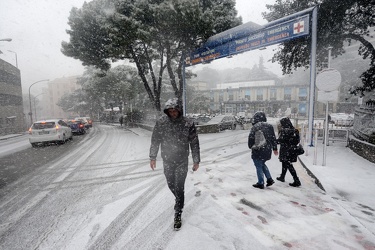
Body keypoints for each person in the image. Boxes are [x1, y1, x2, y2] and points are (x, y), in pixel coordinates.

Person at [149, 98, 200, 230]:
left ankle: (178, 213)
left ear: (179, 110)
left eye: (175, 110)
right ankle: (180, 199)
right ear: (167, 111)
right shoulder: (161, 123)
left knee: (179, 186)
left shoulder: (188, 123)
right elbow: (155, 140)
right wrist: (152, 157)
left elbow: (194, 142)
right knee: (171, 184)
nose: (173, 113)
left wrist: (196, 160)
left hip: (182, 160)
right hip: (167, 159)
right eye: (170, 111)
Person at [248, 111, 278, 189]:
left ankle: (260, 182)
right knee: (262, 164)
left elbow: (251, 139)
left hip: (258, 150)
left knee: (258, 165)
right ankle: (269, 179)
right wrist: (275, 148)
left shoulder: (255, 127)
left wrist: (250, 146)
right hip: (267, 149)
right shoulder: (269, 126)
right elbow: (273, 138)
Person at [276, 117, 301, 187]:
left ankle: (296, 180)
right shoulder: (294, 130)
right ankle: (282, 176)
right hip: (292, 150)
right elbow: (297, 141)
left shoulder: (285, 130)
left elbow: (281, 140)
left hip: (285, 150)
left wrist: (274, 141)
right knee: (285, 163)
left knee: (288, 165)